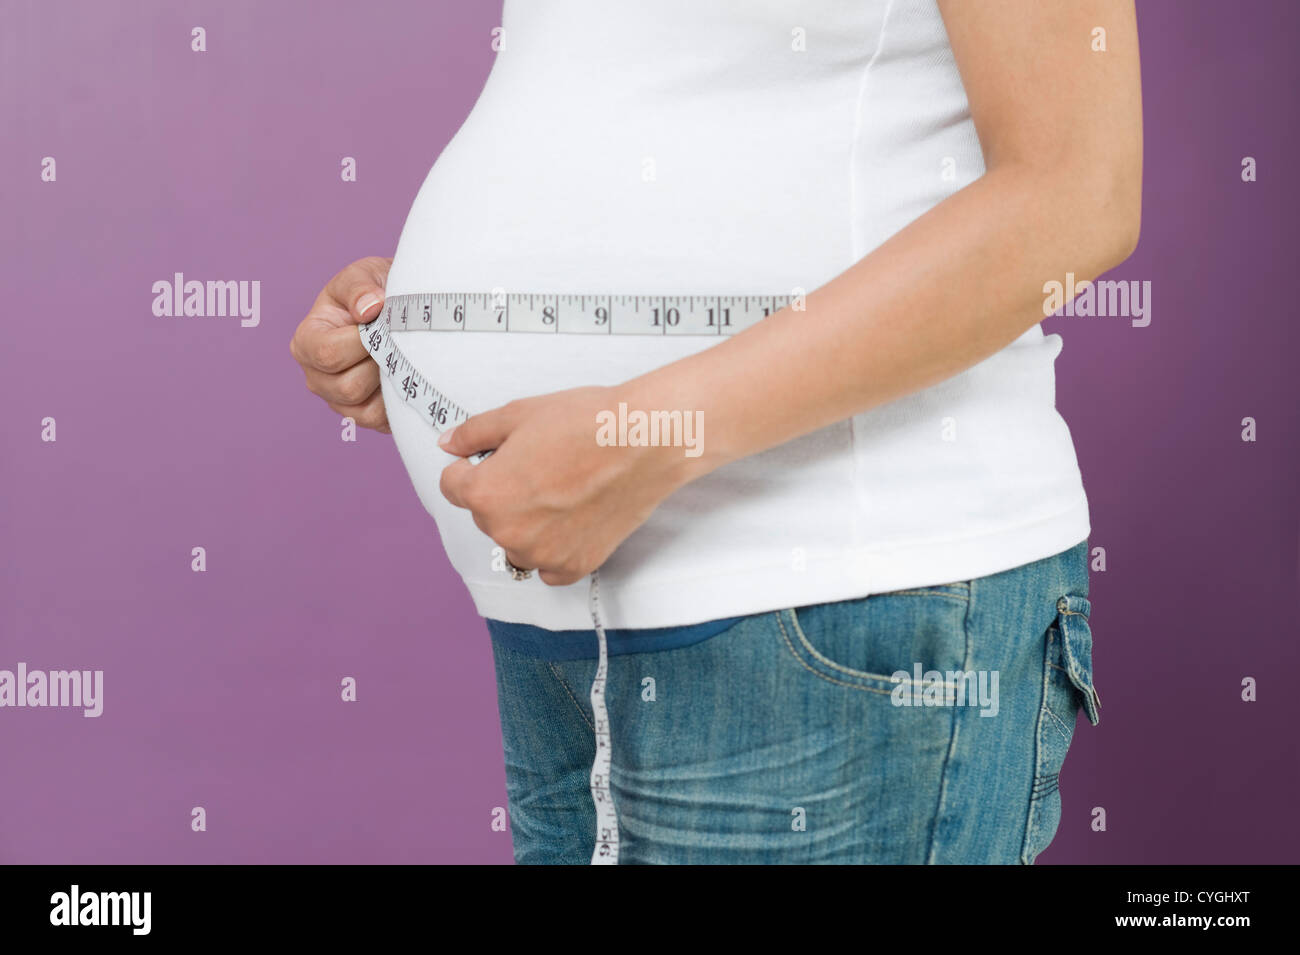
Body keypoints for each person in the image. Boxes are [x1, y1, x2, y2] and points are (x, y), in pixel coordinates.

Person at [291, 0, 1141, 864]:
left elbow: (1078, 189)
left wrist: (647, 436)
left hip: (831, 600)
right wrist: (437, 319)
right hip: (559, 632)